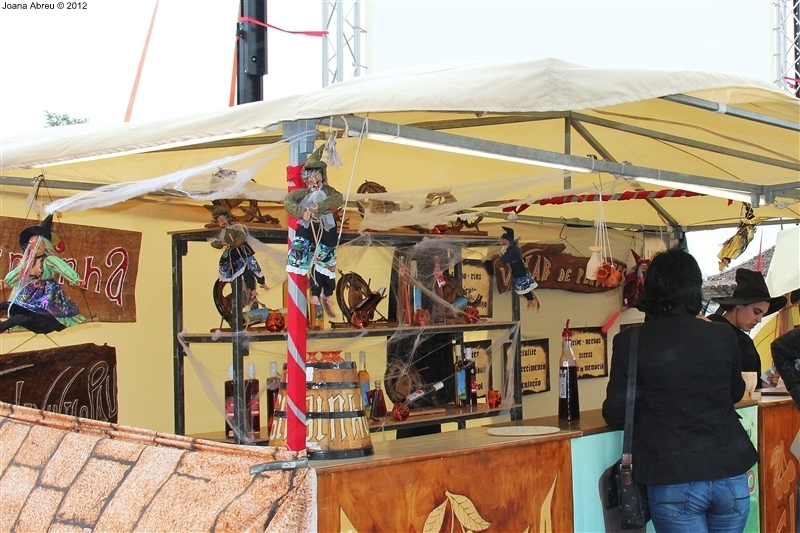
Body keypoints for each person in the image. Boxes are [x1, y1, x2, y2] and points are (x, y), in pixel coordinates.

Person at [603, 249, 758, 533]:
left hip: (671, 475)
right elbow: (736, 392)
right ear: (694, 289)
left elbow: (615, 413)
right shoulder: (722, 334)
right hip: (730, 474)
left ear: (651, 288)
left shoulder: (631, 342)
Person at [1, 215, 86, 334]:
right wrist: (7, 281)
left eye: (36, 244)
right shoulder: (28, 262)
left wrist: (76, 279)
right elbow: (18, 272)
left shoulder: (49, 260)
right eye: (30, 244)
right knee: (10, 306)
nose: (33, 247)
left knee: (31, 313)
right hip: (29, 292)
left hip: (46, 293)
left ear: (44, 244)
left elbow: (63, 268)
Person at [284, 145, 343, 317]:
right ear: (306, 178)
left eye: (317, 175)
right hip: (309, 227)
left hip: (326, 227)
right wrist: (302, 212)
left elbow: (338, 198)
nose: (314, 180)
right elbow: (288, 201)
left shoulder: (328, 191)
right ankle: (316, 293)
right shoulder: (303, 194)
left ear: (322, 176)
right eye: (310, 176)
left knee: (326, 259)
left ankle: (328, 292)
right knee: (308, 257)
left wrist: (321, 207)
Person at [708, 268, 787, 388]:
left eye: (763, 315)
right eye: (756, 312)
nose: (759, 319)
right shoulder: (711, 330)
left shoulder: (746, 341)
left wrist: (763, 384)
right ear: (739, 304)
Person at [210, 206, 268, 299]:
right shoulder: (221, 233)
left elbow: (241, 237)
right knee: (244, 271)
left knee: (254, 266)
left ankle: (262, 282)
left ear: (227, 219)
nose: (222, 222)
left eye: (223, 219)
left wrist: (233, 244)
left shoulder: (236, 227)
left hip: (243, 250)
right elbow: (214, 242)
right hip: (234, 254)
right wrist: (221, 243)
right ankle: (252, 290)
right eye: (219, 221)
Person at [498, 226, 539, 309]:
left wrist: (501, 260)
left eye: (503, 239)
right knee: (521, 286)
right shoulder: (512, 248)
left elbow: (504, 259)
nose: (502, 241)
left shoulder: (511, 249)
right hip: (518, 268)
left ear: (506, 240)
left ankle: (531, 298)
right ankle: (530, 298)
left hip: (518, 269)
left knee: (522, 286)